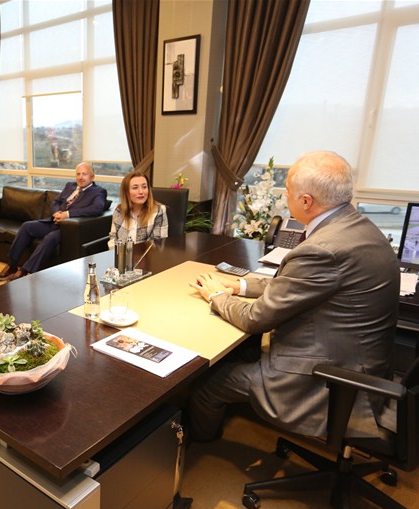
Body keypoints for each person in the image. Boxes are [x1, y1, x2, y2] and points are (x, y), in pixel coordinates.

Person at [187, 151, 399, 442]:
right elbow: (297, 284)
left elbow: (255, 319)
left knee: (205, 384)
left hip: (327, 379)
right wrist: (240, 286)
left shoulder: (322, 249)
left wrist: (217, 296)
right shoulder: (356, 226)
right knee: (241, 352)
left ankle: (197, 446)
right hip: (362, 360)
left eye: (287, 189)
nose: (284, 195)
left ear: (306, 201)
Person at [0, 162, 108, 282]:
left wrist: (67, 214)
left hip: (68, 228)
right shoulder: (70, 186)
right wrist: (56, 213)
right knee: (26, 226)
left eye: (84, 174)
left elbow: (97, 209)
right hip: (53, 221)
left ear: (92, 177)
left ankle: (24, 271)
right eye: (78, 174)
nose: (80, 177)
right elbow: (55, 202)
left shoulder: (98, 191)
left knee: (50, 238)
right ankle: (12, 265)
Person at [108, 171, 168, 248]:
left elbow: (158, 244)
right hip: (121, 254)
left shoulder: (158, 210)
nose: (141, 192)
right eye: (135, 188)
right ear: (126, 192)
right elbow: (113, 238)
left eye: (144, 187)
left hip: (147, 255)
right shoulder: (119, 210)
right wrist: (117, 253)